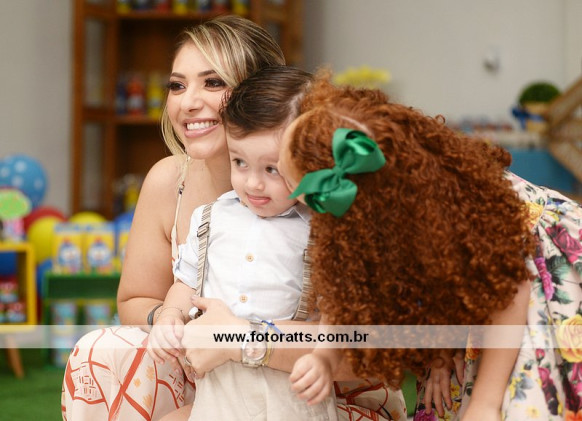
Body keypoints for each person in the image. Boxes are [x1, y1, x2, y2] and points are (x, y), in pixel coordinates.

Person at [279, 70, 582, 421]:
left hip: (532, 282)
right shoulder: (367, 218)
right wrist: (324, 356)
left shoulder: (439, 213)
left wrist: (486, 402)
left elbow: (510, 290)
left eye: (290, 181)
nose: (288, 192)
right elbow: (345, 285)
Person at [61, 15, 286, 420]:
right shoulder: (169, 181)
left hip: (297, 381)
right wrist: (173, 320)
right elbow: (135, 300)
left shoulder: (310, 186)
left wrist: (239, 340)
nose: (187, 102)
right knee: (101, 350)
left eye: (213, 82)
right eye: (177, 85)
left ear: (262, 93)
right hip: (198, 371)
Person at [148, 66, 338, 420]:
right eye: (239, 162)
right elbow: (186, 283)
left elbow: (335, 320)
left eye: (272, 169)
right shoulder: (212, 217)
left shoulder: (321, 230)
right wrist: (170, 315)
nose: (253, 184)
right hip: (219, 390)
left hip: (292, 392)